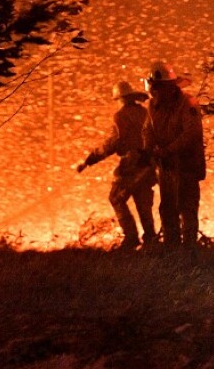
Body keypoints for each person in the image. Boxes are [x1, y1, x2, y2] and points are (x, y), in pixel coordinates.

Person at [75, 80, 158, 251]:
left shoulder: (120, 116)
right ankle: (151, 240)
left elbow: (114, 142)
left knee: (116, 198)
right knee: (143, 204)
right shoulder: (145, 112)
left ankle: (131, 237)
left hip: (131, 166)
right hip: (148, 164)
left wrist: (90, 159)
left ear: (119, 99)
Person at [143, 60, 206, 250]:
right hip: (167, 167)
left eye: (157, 87)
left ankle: (189, 252)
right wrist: (149, 150)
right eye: (153, 87)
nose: (154, 92)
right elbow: (148, 130)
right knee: (168, 209)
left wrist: (167, 150)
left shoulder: (188, 104)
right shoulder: (154, 106)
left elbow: (191, 133)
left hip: (186, 165)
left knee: (187, 208)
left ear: (169, 87)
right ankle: (172, 250)